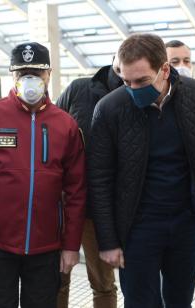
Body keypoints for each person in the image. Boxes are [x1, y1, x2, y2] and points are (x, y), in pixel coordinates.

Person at [89, 33, 195, 308]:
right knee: (140, 303)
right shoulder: (110, 108)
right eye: (126, 81)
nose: (133, 88)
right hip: (137, 229)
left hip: (185, 225)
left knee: (180, 301)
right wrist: (108, 241)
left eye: (142, 81)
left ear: (165, 70)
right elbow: (99, 178)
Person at [0, 41, 86, 308]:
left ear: (49, 74)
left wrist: (71, 244)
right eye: (22, 73)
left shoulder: (66, 125)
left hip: (47, 249)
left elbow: (76, 191)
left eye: (36, 73)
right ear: (12, 76)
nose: (30, 80)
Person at [55, 56, 123, 308]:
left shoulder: (137, 95)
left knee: (103, 282)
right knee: (57, 279)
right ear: (115, 59)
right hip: (64, 203)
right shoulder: (79, 89)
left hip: (101, 210)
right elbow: (50, 129)